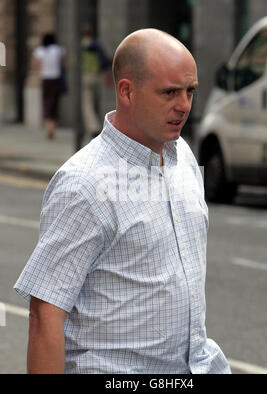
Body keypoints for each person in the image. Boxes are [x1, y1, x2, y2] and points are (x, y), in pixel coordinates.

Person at [14, 29, 231, 374]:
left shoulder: (184, 157)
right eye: (169, 92)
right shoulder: (84, 183)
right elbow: (45, 314)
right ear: (126, 91)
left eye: (190, 91)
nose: (184, 106)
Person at [33, 33, 66, 140]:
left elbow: (36, 66)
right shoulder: (58, 50)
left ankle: (48, 127)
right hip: (56, 79)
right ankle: (53, 128)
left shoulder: (39, 51)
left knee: (46, 103)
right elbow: (63, 64)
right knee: (54, 104)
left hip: (45, 79)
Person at [81, 25, 111, 139]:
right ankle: (91, 126)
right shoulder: (96, 44)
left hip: (86, 76)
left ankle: (93, 128)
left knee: (86, 104)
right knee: (94, 103)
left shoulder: (83, 44)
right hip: (96, 76)